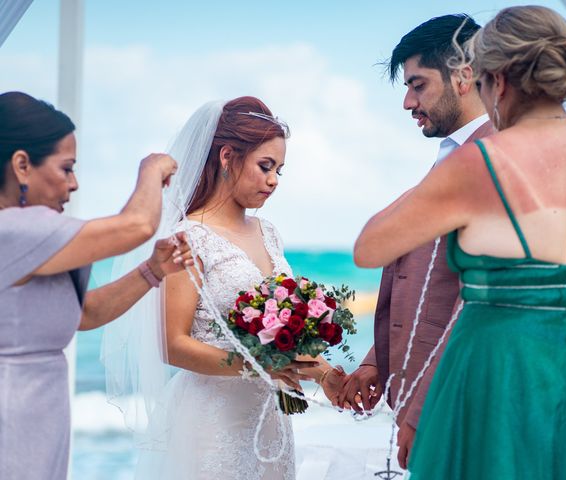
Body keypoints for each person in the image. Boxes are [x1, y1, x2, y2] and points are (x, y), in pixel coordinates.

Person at [354, 5, 566, 479]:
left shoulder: (478, 162)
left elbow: (370, 248)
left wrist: (447, 175)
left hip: (502, 366)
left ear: (497, 81)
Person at [104, 96, 346, 480]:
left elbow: (283, 335)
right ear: (227, 157)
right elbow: (171, 344)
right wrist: (257, 366)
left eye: (280, 170)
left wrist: (325, 373)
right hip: (211, 422)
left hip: (269, 420)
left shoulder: (269, 234)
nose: (273, 181)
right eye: (265, 166)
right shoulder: (189, 237)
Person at [0, 91, 193, 480]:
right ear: (22, 165)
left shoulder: (29, 239)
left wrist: (152, 271)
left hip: (38, 402)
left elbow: (82, 314)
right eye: (66, 168)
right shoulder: (13, 229)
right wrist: (151, 169)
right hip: (12, 405)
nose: (73, 184)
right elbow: (137, 225)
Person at [336, 14, 493, 469]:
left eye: (418, 84)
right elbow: (427, 278)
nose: (408, 102)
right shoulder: (454, 156)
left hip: (460, 403)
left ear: (463, 76)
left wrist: (423, 411)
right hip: (427, 396)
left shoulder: (496, 158)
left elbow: (478, 303)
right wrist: (377, 362)